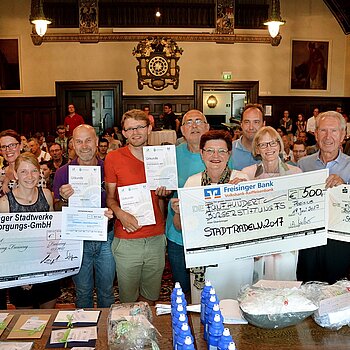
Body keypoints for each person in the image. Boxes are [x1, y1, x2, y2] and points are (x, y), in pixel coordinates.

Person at [171, 130, 252, 302]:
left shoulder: (242, 179)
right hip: (203, 259)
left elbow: (253, 222)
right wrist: (178, 211)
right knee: (205, 309)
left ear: (229, 154)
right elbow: (179, 226)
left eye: (222, 151)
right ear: (202, 154)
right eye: (209, 150)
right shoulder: (192, 182)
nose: (216, 156)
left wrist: (246, 195)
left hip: (235, 260)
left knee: (235, 305)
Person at [104, 109, 168, 304]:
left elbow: (164, 198)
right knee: (128, 299)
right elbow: (110, 198)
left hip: (156, 237)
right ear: (123, 133)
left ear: (149, 128)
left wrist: (166, 194)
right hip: (127, 239)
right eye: (130, 128)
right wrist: (119, 213)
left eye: (140, 127)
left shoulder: (161, 156)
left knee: (150, 297)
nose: (136, 132)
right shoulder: (113, 158)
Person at [53, 124, 115, 308]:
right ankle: (84, 331)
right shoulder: (63, 172)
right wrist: (64, 200)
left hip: (106, 237)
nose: (84, 145)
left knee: (106, 291)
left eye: (88, 140)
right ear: (72, 144)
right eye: (79, 141)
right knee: (83, 292)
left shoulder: (109, 169)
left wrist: (113, 212)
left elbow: (118, 200)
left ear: (96, 142)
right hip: (78, 240)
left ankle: (105, 330)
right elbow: (56, 209)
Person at [239, 126, 302, 281]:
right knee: (256, 283)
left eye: (273, 143)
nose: (269, 148)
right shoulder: (247, 174)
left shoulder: (295, 173)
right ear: (257, 149)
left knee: (285, 281)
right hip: (257, 240)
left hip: (286, 242)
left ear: (279, 146)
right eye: (263, 144)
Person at [0, 152, 60, 309]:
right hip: (20, 273)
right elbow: (5, 246)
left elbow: (52, 232)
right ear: (15, 174)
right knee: (26, 323)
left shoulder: (46, 195)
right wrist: (24, 275)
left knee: (49, 316)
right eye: (23, 171)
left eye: (34, 170)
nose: (29, 176)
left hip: (47, 268)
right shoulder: (5, 204)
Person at [297, 111, 350, 284]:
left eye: (334, 131)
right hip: (309, 242)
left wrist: (345, 189)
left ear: (343, 135)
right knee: (307, 289)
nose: (328, 136)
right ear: (316, 133)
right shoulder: (304, 164)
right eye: (323, 131)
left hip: (341, 243)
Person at [165, 109, 210, 297]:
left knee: (207, 289)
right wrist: (163, 191)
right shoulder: (170, 155)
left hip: (209, 233)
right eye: (189, 122)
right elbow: (163, 185)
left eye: (198, 121)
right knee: (181, 289)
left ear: (207, 127)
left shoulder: (218, 153)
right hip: (178, 233)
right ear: (182, 130)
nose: (194, 126)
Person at [230, 103, 265, 170]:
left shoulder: (271, 151)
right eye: (247, 122)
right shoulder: (229, 150)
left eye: (256, 122)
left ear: (263, 124)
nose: (251, 127)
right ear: (241, 124)